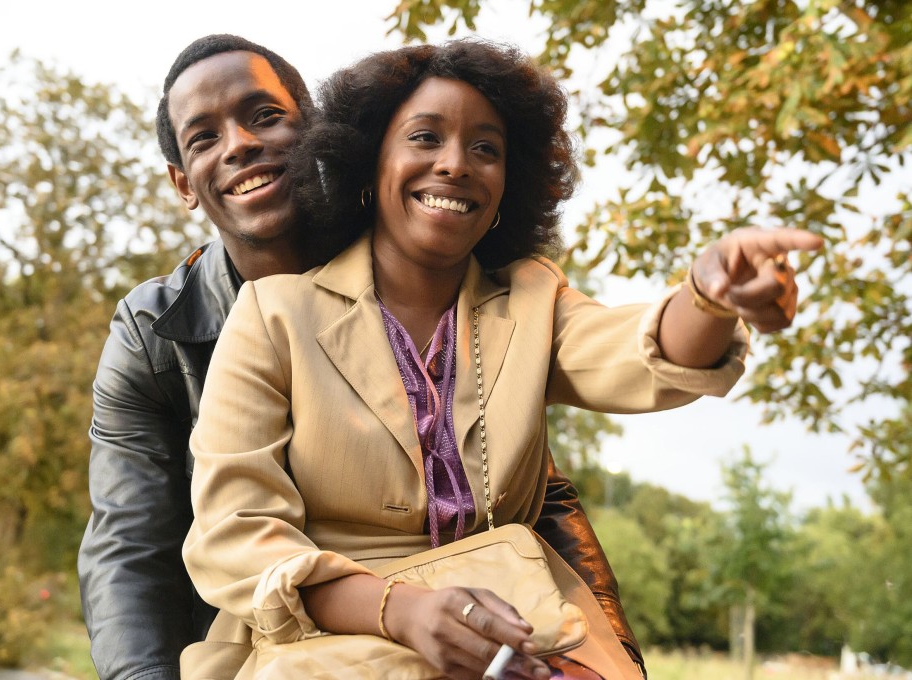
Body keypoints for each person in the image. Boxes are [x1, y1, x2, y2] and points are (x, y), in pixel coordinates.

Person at [183, 39, 823, 679]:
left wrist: (707, 295)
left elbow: (636, 353)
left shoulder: (532, 298)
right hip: (329, 640)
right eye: (425, 138)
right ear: (367, 165)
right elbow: (237, 534)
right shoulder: (274, 314)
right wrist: (400, 610)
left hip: (522, 623)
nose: (456, 164)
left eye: (485, 148)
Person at [77, 34, 647, 680]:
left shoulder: (419, 262)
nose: (238, 144)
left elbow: (534, 488)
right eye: (204, 138)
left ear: (317, 132)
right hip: (267, 631)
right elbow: (130, 547)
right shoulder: (150, 335)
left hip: (472, 616)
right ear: (183, 183)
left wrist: (613, 654)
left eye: (265, 116)